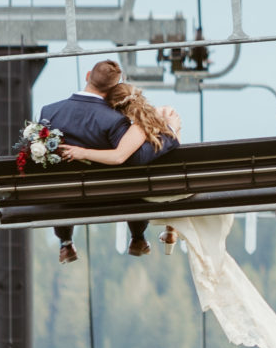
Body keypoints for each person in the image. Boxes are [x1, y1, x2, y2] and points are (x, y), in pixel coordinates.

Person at [35, 61, 182, 259]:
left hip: (66, 199)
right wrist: (170, 132)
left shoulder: (48, 113)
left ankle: (66, 241)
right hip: (113, 196)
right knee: (135, 176)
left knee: (60, 181)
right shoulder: (114, 119)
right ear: (114, 88)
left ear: (88, 75)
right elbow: (135, 157)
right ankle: (137, 236)